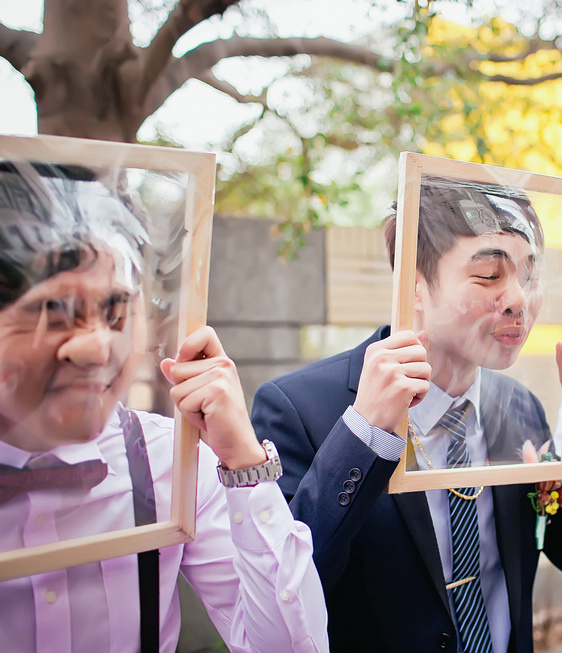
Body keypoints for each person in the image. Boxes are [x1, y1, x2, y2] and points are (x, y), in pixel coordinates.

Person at [251, 177, 562, 653]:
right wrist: (364, 431)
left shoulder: (520, 407)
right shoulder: (299, 409)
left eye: (529, 277)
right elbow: (284, 595)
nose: (519, 299)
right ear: (413, 285)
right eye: (489, 276)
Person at [0, 165, 328, 653]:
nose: (95, 348)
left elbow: (290, 647)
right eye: (54, 312)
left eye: (116, 312)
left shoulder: (165, 457)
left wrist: (244, 462)